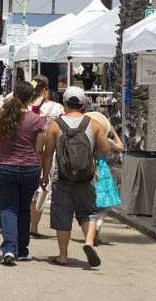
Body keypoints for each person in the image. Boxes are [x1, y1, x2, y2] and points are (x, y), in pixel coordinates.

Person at [41, 87, 111, 268]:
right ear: (83, 104)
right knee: (88, 213)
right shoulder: (93, 124)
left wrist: (44, 176)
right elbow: (106, 149)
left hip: (62, 178)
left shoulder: (56, 125)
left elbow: (48, 154)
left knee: (62, 216)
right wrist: (94, 153)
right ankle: (88, 242)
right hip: (86, 178)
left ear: (64, 103)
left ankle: (63, 256)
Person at [0, 81, 46, 266]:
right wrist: (41, 172)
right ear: (32, 97)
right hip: (30, 169)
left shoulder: (2, 117)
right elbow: (39, 150)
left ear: (14, 94)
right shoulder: (37, 120)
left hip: (4, 167)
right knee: (24, 208)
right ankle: (23, 249)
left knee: (8, 208)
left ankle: (9, 249)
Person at [28, 75, 64, 238]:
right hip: (50, 152)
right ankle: (34, 226)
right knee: (43, 188)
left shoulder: (25, 106)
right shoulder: (57, 108)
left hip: (27, 151)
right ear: (45, 90)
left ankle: (26, 223)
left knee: (28, 188)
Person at [88, 111, 122, 246]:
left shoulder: (88, 140)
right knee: (105, 206)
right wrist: (113, 132)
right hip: (103, 171)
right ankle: (98, 225)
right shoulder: (105, 141)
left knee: (91, 205)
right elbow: (120, 147)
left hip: (90, 171)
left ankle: (91, 230)